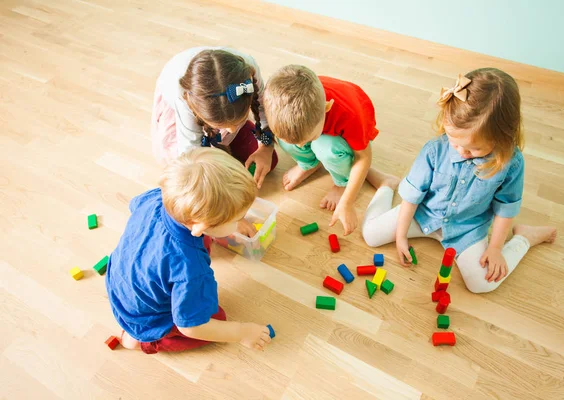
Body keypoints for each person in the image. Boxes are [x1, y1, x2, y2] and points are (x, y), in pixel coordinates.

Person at [362, 68, 557, 293]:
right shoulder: (435, 150)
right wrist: (400, 234)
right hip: (423, 214)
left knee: (482, 284)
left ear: (502, 139)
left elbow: (506, 207)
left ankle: (524, 238)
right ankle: (386, 185)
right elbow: (412, 197)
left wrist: (495, 248)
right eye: (455, 142)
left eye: (474, 149)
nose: (462, 152)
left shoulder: (510, 162)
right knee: (370, 235)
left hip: (467, 229)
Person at [106, 148, 272, 353]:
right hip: (148, 317)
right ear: (200, 225)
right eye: (237, 218)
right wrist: (242, 332)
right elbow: (191, 327)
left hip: (119, 284)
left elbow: (134, 206)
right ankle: (143, 341)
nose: (241, 220)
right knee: (216, 321)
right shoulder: (191, 268)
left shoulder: (158, 197)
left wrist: (226, 219)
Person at [263, 65, 379, 235]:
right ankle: (308, 163)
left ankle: (341, 183)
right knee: (288, 140)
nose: (302, 146)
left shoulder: (350, 115)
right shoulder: (282, 108)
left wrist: (347, 201)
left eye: (307, 140)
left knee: (325, 148)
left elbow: (363, 158)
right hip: (315, 121)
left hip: (348, 123)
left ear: (327, 108)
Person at [151, 47, 278, 189]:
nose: (231, 130)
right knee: (188, 171)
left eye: (237, 122)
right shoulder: (184, 99)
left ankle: (229, 135)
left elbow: (263, 109)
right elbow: (190, 151)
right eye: (223, 125)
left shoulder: (248, 72)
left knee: (269, 162)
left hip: (214, 112)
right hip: (182, 113)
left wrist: (266, 148)